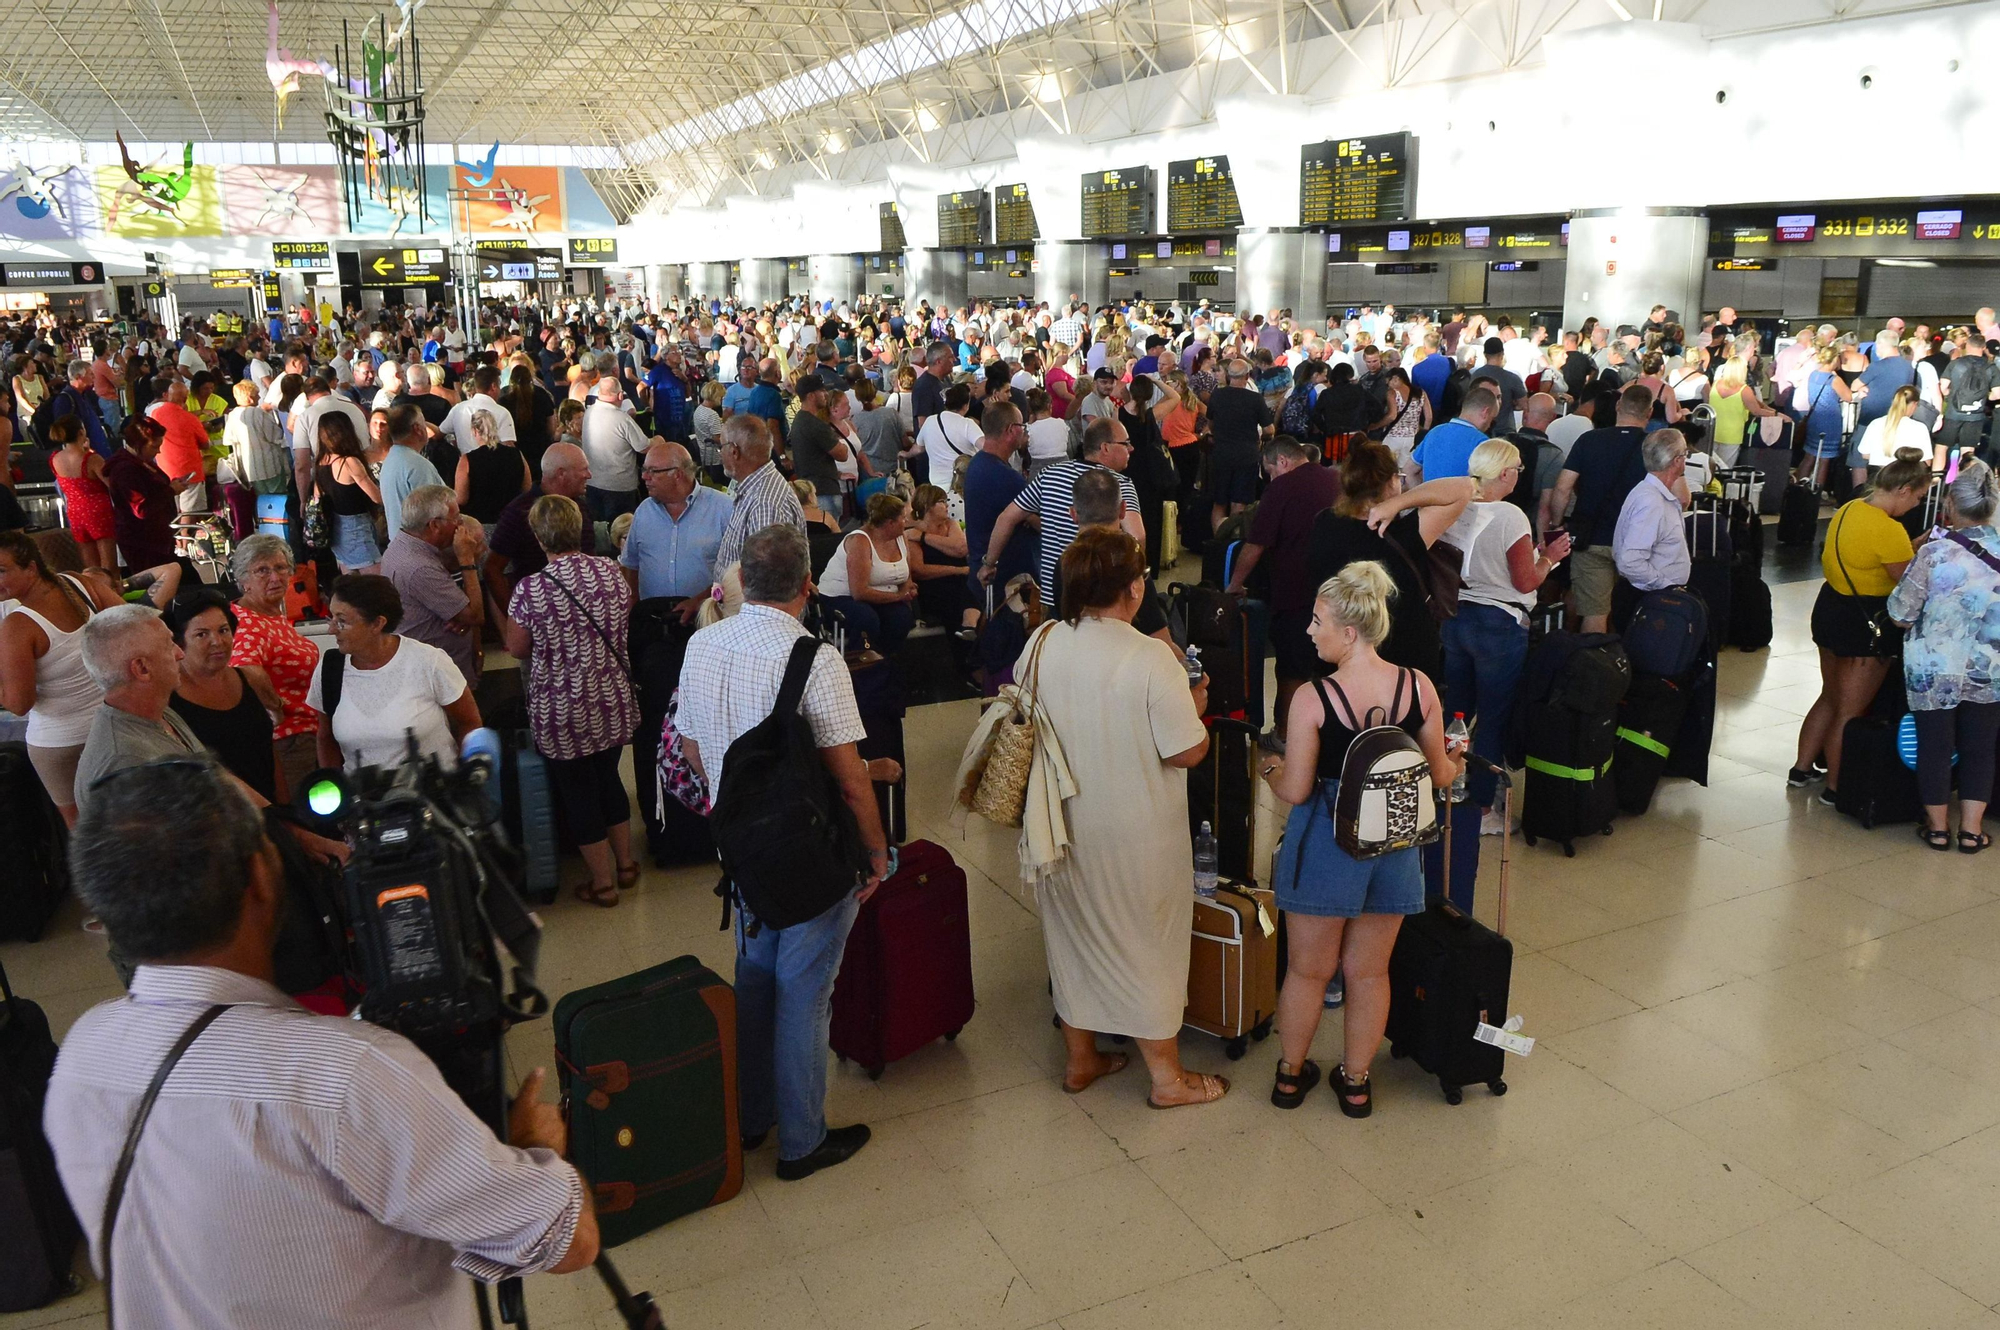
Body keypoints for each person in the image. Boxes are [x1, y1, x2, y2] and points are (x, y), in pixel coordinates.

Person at [46, 756, 598, 1329]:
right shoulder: (344, 1077)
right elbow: (569, 1239)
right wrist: (536, 1150)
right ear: (262, 876)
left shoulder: (81, 1056)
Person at [675, 524, 889, 1180]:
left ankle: (753, 1115)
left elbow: (689, 749)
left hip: (738, 844)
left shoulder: (703, 643)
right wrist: (875, 854)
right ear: (806, 586)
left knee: (755, 975)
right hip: (809, 851)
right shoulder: (813, 660)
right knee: (806, 990)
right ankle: (802, 1140)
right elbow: (849, 778)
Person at [1021, 525, 1227, 1107]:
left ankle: (1081, 1060)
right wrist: (1198, 705)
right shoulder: (1150, 658)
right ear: (1134, 589)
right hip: (1136, 830)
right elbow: (1186, 750)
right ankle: (1167, 1080)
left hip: (1057, 821)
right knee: (1147, 944)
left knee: (1072, 935)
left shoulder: (1041, 642)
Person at [1262, 561, 1461, 1115]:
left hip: (1327, 842)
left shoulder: (1312, 698)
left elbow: (1298, 789)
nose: (1309, 630)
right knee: (1370, 972)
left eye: (1318, 620)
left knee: (1308, 970)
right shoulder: (1417, 686)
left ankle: (1288, 1077)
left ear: (1349, 632)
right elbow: (1440, 774)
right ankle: (1355, 1083)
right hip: (1394, 842)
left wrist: (1268, 768)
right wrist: (1456, 759)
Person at [500, 494, 642, 907]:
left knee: (578, 792)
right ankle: (627, 864)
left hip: (563, 708)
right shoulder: (612, 572)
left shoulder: (532, 589)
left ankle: (602, 884)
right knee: (609, 779)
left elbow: (515, 647)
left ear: (539, 536)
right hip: (612, 696)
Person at [1441, 441, 1571, 836]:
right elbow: (1525, 580)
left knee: (1457, 712)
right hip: (1498, 624)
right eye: (1516, 467)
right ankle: (1482, 808)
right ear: (1503, 473)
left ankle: (1448, 786)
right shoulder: (1511, 515)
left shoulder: (1457, 506)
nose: (1520, 473)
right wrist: (1549, 557)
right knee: (1494, 717)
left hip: (1457, 616)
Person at [1792, 448, 1928, 795]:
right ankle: (1837, 789)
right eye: (1917, 497)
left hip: (1830, 611)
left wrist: (1910, 546)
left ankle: (1802, 768)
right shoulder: (1889, 530)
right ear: (1903, 490)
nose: (1916, 506)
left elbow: (1868, 557)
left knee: (1829, 696)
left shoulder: (1850, 508)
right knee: (1849, 713)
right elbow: (1907, 583)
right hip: (1865, 626)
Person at [1887, 462, 2000, 853]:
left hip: (1933, 669)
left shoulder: (1934, 553)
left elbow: (1900, 613)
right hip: (1991, 668)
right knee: (1981, 747)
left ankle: (1937, 829)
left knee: (1933, 744)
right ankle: (1971, 831)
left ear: (1949, 504)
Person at [1305, 441, 1472, 686]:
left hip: (1341, 648)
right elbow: (1464, 488)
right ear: (1392, 481)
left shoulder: (1324, 522)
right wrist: (1399, 503)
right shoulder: (1405, 532)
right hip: (1404, 653)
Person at [1224, 436, 1341, 746]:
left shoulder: (1282, 487)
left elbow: (1256, 544)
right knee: (1332, 666)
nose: (1270, 477)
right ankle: (1328, 733)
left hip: (1296, 591)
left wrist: (1234, 584)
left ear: (1283, 462)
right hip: (1339, 591)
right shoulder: (1337, 478)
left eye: (1270, 470)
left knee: (1291, 667)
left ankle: (1285, 735)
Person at [0, 529, 121, 824]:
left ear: (31, 568)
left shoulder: (18, 626)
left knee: (82, 834)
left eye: (2, 571)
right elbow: (131, 626)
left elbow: (18, 705)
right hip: (113, 725)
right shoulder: (81, 584)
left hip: (60, 744)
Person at [310, 574, 482, 772]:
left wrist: (461, 779)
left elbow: (470, 722)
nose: (331, 629)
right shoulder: (329, 669)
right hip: (362, 799)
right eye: (330, 618)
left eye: (341, 621)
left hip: (431, 796)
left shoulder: (429, 661)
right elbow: (325, 737)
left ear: (377, 623)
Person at [982, 417, 1142, 596]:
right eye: (1125, 443)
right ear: (1105, 447)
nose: (1131, 448)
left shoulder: (1049, 475)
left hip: (1055, 593)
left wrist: (989, 564)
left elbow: (1007, 518)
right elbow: (1137, 536)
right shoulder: (1119, 484)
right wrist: (1136, 580)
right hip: (1102, 597)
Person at [1548, 384, 1654, 633]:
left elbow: (1562, 489)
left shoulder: (1589, 440)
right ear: (1649, 413)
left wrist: (1557, 524)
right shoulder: (1654, 446)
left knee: (1595, 614)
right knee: (1636, 613)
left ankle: (1594, 668)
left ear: (1618, 406)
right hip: (1638, 541)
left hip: (1591, 538)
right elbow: (1680, 496)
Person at [165, 590, 285, 802]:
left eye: (223, 630)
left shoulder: (250, 678)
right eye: (202, 634)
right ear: (178, 641)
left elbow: (269, 750)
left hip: (269, 810)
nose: (217, 641)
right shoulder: (166, 699)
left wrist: (285, 810)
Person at [381, 485, 488, 689]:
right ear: (434, 525)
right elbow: (475, 615)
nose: (460, 526)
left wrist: (460, 617)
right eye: (455, 519)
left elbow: (463, 616)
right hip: (437, 679)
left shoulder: (403, 544)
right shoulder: (420, 566)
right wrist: (467, 559)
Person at [485, 442, 598, 605]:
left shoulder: (581, 506)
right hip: (540, 610)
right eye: (584, 469)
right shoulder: (519, 512)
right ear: (561, 474)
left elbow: (590, 555)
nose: (589, 475)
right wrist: (515, 616)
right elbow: (492, 569)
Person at [620, 440, 729, 605]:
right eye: (644, 470)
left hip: (707, 618)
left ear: (677, 474)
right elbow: (630, 564)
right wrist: (632, 606)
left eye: (653, 471)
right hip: (653, 618)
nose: (644, 477)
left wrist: (702, 601)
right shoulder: (644, 511)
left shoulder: (723, 508)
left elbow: (736, 572)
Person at [818, 493, 919, 654]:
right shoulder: (860, 541)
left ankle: (885, 663)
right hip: (841, 597)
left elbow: (907, 578)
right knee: (866, 619)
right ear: (890, 523)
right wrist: (899, 596)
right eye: (903, 518)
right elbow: (859, 592)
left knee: (901, 618)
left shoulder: (900, 537)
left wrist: (908, 590)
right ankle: (862, 667)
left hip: (881, 595)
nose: (906, 522)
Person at [713, 415, 808, 582]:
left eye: (721, 448)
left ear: (734, 451)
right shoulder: (757, 488)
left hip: (751, 606)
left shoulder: (765, 503)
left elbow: (768, 582)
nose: (721, 455)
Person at [1612, 429, 1693, 597]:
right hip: (1653, 600)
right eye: (1686, 454)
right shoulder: (1651, 502)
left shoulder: (1650, 493)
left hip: (1655, 596)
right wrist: (1667, 586)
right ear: (1677, 461)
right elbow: (1630, 561)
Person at [1207, 359, 1274, 534]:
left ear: (1229, 376)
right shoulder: (1255, 399)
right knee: (1240, 503)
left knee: (1219, 501)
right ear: (1247, 376)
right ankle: (1233, 541)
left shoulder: (1217, 395)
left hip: (1221, 454)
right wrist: (1263, 438)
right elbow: (1269, 429)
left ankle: (1218, 541)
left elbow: (1210, 423)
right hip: (1247, 455)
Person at [314, 410, 383, 576]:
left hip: (335, 530)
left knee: (351, 587)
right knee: (378, 583)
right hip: (356, 527)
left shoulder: (321, 462)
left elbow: (318, 496)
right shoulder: (349, 462)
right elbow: (377, 497)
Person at [219, 378, 289, 541]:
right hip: (269, 464)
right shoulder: (258, 413)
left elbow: (228, 440)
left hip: (249, 468)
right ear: (250, 397)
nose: (259, 397)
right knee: (278, 499)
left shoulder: (232, 415)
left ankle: (264, 531)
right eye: (257, 394)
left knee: (260, 500)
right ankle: (280, 531)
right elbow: (275, 435)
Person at [904, 482, 977, 638]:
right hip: (934, 585)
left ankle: (969, 628)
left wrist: (925, 537)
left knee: (972, 586)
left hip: (961, 580)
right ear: (927, 505)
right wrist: (957, 570)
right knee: (955, 595)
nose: (947, 505)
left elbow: (960, 549)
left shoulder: (950, 524)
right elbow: (919, 570)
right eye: (941, 502)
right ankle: (967, 634)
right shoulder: (912, 533)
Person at [48, 416, 118, 571]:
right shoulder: (91, 459)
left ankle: (92, 592)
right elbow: (113, 484)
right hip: (99, 512)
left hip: (75, 512)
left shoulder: (55, 458)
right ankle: (111, 591)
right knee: (108, 565)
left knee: (90, 565)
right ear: (81, 432)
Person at [578, 378, 650, 520]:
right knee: (620, 531)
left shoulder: (588, 413)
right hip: (620, 487)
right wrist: (658, 440)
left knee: (599, 529)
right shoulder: (622, 419)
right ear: (620, 396)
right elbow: (643, 447)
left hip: (592, 483)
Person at [377, 404, 446, 539]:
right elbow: (432, 512)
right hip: (418, 545)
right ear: (418, 429)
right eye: (423, 422)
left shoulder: (391, 459)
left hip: (400, 542)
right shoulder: (417, 465)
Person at [1410, 384, 1499, 481]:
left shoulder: (1434, 432)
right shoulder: (1482, 442)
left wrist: (1423, 494)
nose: (1490, 425)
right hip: (1464, 496)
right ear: (1485, 412)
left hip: (1430, 495)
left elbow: (1409, 471)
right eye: (1492, 418)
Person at [1707, 358, 1778, 468]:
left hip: (1713, 431)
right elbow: (1756, 411)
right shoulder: (1744, 390)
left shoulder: (1716, 384)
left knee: (1710, 467)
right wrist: (1776, 414)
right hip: (1732, 435)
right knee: (1725, 468)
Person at [917, 381, 983, 491]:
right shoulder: (967, 424)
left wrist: (905, 454)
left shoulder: (930, 421)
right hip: (963, 486)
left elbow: (919, 448)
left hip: (938, 488)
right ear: (966, 405)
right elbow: (985, 447)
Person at [1855, 385, 1932, 470]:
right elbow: (1926, 461)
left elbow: (1865, 454)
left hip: (1878, 476)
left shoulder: (1875, 423)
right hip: (1905, 477)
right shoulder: (1919, 428)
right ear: (1915, 404)